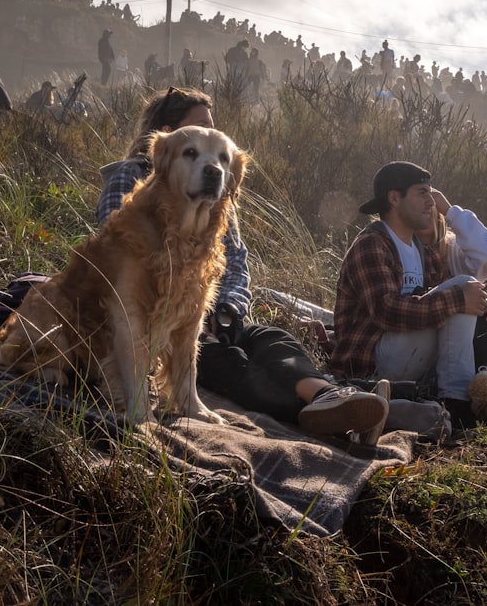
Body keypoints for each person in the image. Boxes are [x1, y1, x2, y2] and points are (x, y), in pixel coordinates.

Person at [95, 87, 390, 443]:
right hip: (156, 321)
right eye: (198, 138)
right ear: (171, 135)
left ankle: (329, 396)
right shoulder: (130, 178)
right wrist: (194, 319)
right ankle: (331, 417)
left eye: (219, 150)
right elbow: (117, 252)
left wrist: (229, 309)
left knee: (270, 338)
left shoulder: (217, 199)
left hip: (209, 311)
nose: (213, 162)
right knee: (227, 361)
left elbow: (236, 262)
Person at [331, 161, 487, 431]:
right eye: (422, 193)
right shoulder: (373, 244)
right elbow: (386, 312)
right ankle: (458, 404)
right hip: (373, 364)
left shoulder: (422, 251)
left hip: (412, 358)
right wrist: (457, 298)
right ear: (395, 198)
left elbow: (459, 292)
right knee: (459, 291)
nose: (431, 202)